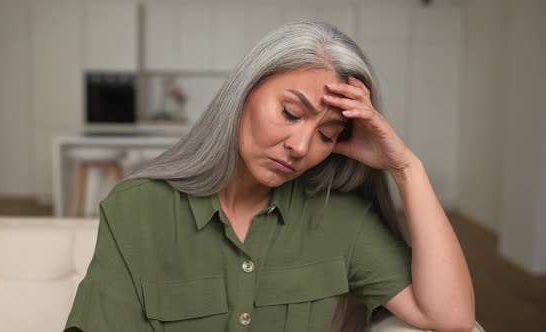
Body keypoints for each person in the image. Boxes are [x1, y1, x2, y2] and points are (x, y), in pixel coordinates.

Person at [64, 21, 475, 332]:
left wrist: (407, 168)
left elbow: (452, 318)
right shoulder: (138, 208)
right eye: (291, 114)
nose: (301, 146)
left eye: (327, 135)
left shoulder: (342, 217)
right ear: (243, 93)